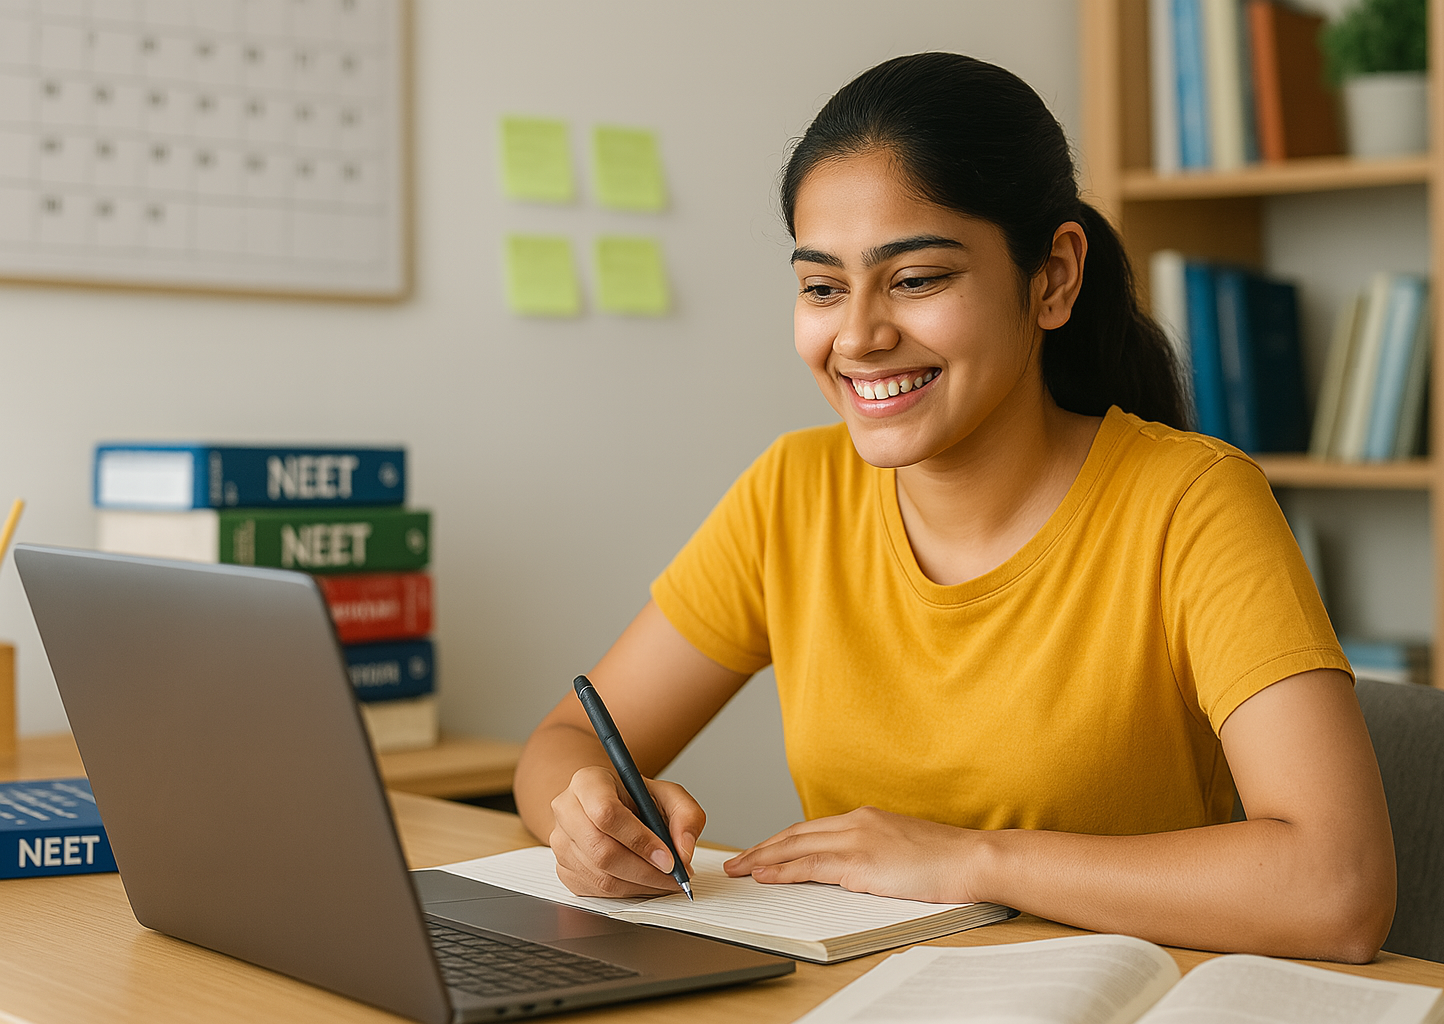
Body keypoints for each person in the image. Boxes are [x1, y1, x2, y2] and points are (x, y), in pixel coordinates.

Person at [512, 52, 1396, 963]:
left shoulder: (1193, 503)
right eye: (822, 286)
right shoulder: (793, 492)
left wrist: (972, 860)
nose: (857, 335)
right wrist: (583, 818)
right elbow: (565, 740)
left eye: (916, 278)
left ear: (1051, 279)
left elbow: (1337, 888)